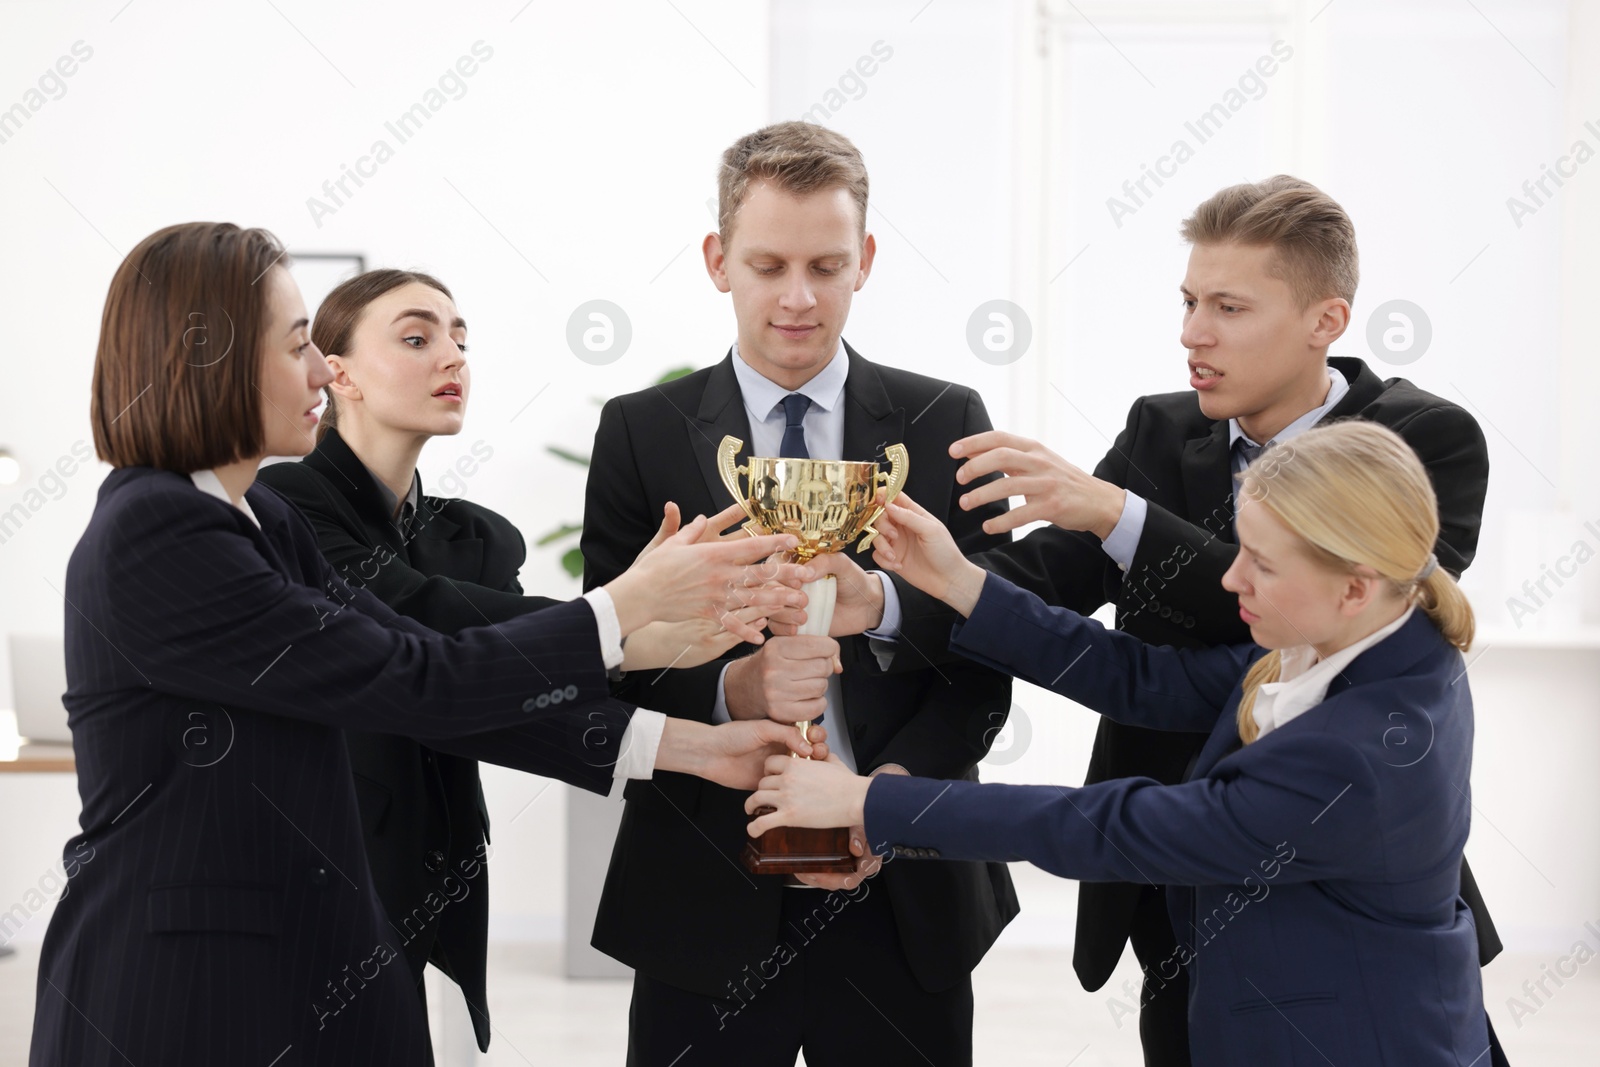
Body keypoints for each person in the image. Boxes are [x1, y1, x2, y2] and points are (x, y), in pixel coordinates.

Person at [30, 222, 826, 1067]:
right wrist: (620, 610)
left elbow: (433, 682)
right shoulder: (159, 530)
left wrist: (700, 745)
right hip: (187, 983)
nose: (315, 373)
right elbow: (419, 678)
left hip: (306, 949)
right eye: (298, 344)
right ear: (208, 358)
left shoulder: (262, 520)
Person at [819, 175, 1503, 1065]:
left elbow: (1331, 625)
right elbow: (1116, 653)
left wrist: (1118, 516)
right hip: (1174, 899)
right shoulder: (1165, 432)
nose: (1193, 333)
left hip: (1331, 909)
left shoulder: (1418, 446)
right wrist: (897, 596)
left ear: (1325, 320)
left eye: (1228, 306)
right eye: (1188, 301)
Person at [750, 420, 1493, 1067]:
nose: (1231, 577)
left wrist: (869, 799)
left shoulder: (1354, 753)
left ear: (1356, 584)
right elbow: (1140, 676)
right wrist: (953, 581)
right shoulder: (1375, 638)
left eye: (1262, 563)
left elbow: (1109, 828)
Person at [580, 122, 1018, 1066]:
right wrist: (734, 689)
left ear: (863, 260)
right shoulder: (639, 433)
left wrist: (889, 802)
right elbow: (605, 661)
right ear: (717, 261)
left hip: (904, 891)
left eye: (825, 264)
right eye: (768, 262)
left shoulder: (948, 421)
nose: (797, 296)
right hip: (701, 893)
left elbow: (990, 656)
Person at [256, 268, 765, 1053]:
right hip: (317, 884)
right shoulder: (285, 504)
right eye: (419, 338)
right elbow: (416, 630)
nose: (453, 357)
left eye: (462, 339)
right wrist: (630, 609)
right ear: (338, 373)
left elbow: (516, 698)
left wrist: (681, 689)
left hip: (440, 892)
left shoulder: (480, 539)